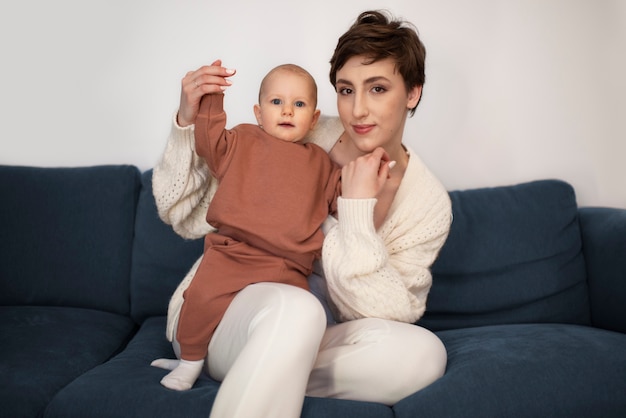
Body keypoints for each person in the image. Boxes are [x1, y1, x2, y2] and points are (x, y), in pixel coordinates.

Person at [151, 9, 453, 418]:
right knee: (299, 307)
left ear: (413, 93)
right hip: (222, 315)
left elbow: (390, 315)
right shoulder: (296, 131)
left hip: (312, 336)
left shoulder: (428, 203)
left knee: (424, 355)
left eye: (377, 89)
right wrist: (188, 121)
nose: (358, 110)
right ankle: (253, 366)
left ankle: (267, 374)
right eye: (346, 90)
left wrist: (357, 212)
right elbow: (180, 213)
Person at [158, 63, 343, 391]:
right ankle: (190, 359)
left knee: (300, 323)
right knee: (200, 298)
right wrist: (212, 98)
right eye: (276, 102)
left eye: (299, 104)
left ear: (314, 118)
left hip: (289, 266)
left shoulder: (321, 162)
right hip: (234, 254)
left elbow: (340, 197)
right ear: (259, 113)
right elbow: (209, 141)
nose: (287, 110)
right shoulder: (243, 139)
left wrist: (372, 173)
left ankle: (280, 371)